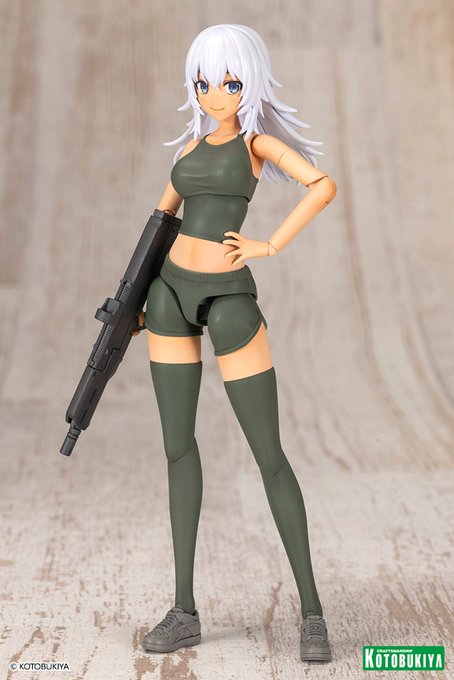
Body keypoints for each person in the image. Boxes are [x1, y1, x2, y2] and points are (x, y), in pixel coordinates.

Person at [139, 23, 337, 663]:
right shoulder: (191, 147)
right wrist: (134, 298)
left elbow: (322, 185)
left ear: (248, 83)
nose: (213, 93)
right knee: (177, 447)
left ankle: (312, 612)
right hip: (168, 294)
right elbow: (161, 221)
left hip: (229, 298)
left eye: (228, 82)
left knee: (268, 454)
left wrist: (269, 244)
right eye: (203, 82)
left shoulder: (256, 144)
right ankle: (183, 608)